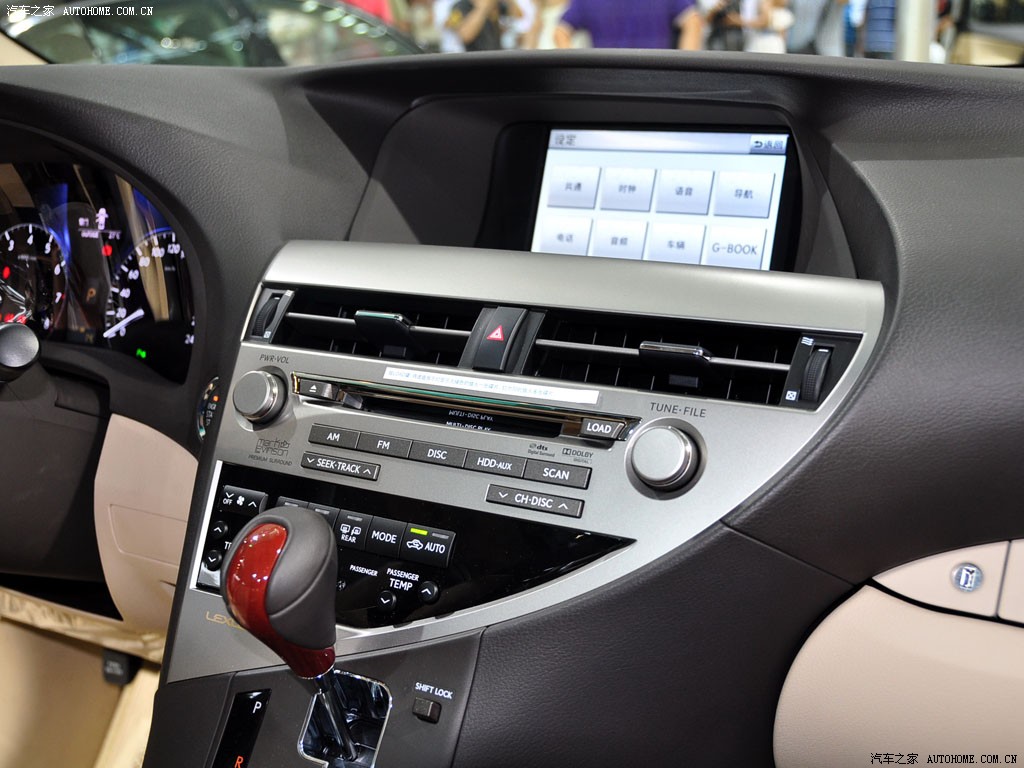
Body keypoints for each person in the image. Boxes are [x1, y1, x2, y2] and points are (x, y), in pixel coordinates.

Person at [553, 0, 704, 51]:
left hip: (606, 83)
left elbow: (561, 32)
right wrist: (683, 76)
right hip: (655, 80)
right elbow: (693, 21)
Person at [447, 0, 523, 51]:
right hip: (473, 58)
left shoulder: (494, 4)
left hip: (496, 54)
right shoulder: (461, 6)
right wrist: (482, 8)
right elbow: (465, 36)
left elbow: (518, 15)